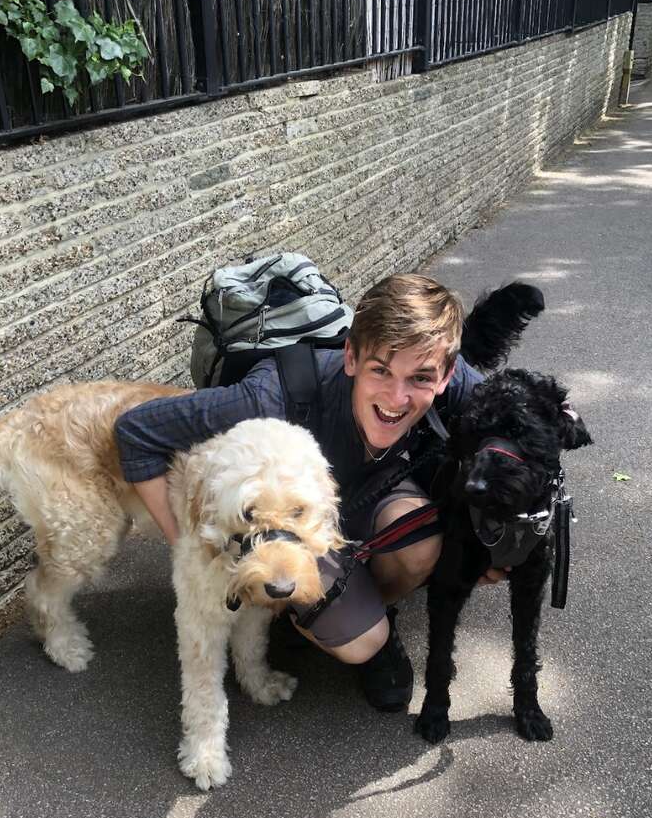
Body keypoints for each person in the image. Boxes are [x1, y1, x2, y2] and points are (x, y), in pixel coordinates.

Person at [115, 273, 496, 712]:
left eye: (420, 379)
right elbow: (135, 431)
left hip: (367, 498)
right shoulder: (267, 397)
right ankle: (319, 614)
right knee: (360, 642)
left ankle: (369, 608)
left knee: (423, 544)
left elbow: (521, 427)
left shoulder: (450, 375)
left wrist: (493, 546)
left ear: (448, 373)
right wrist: (186, 545)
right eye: (380, 370)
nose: (397, 396)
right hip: (289, 525)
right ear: (350, 356)